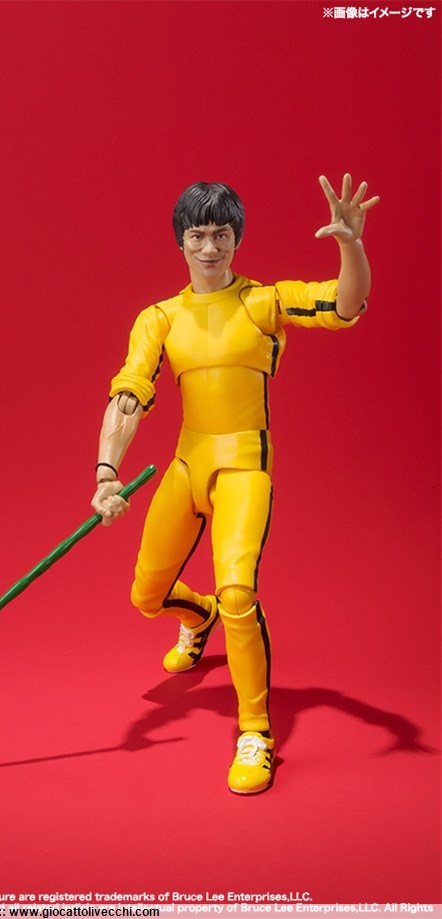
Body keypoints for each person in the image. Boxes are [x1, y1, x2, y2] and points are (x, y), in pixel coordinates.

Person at [91, 174, 379, 795]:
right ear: (181, 241)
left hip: (245, 467)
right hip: (186, 465)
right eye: (198, 235)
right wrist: (107, 472)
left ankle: (256, 733)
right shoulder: (160, 318)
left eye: (221, 234)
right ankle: (200, 617)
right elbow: (130, 392)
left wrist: (350, 245)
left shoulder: (263, 302)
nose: (210, 247)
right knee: (147, 596)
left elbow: (344, 305)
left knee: (240, 592)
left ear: (236, 239)